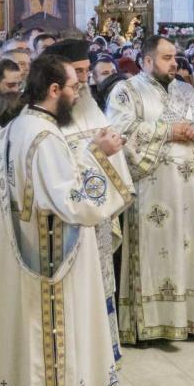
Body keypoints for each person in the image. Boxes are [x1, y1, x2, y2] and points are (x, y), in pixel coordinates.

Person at [0, 55, 130, 386]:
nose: (78, 94)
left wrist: (87, 152)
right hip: (52, 258)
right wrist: (101, 155)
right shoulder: (44, 136)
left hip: (25, 251)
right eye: (73, 87)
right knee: (52, 337)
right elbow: (74, 202)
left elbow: (51, 182)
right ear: (53, 90)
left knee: (32, 338)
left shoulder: (17, 126)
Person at [106, 35, 194, 343]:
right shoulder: (126, 91)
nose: (174, 63)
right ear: (147, 60)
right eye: (166, 58)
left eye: (175, 57)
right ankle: (148, 324)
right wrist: (167, 131)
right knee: (154, 251)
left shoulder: (186, 90)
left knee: (186, 248)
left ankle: (186, 319)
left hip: (188, 189)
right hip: (151, 188)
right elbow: (119, 130)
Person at [42, 39, 133, 357]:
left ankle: (102, 356)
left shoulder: (91, 108)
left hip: (99, 218)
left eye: (86, 71)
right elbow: (52, 169)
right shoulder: (43, 116)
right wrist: (97, 151)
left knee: (100, 283)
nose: (83, 79)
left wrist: (112, 148)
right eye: (76, 72)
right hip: (65, 225)